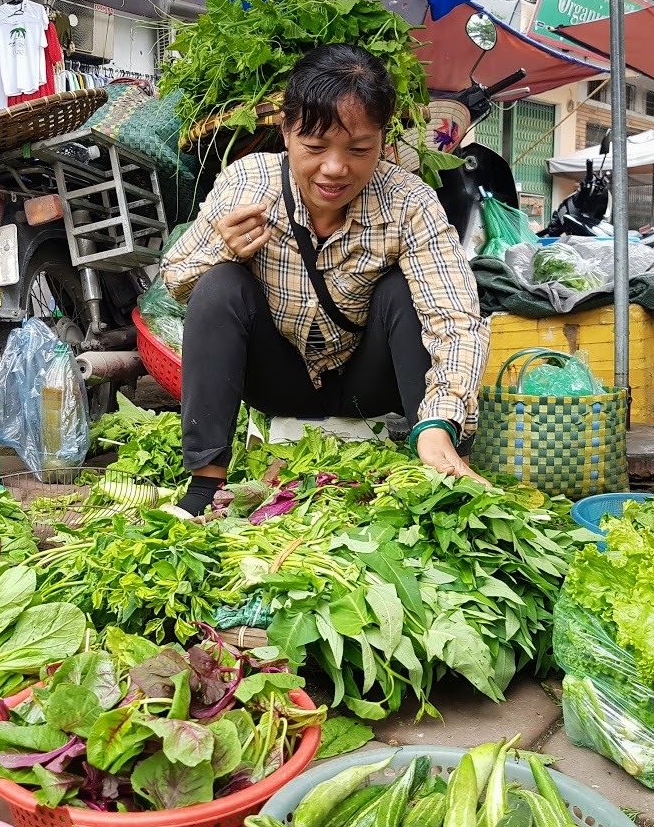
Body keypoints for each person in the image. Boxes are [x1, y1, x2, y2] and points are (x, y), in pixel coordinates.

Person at [161, 44, 491, 516]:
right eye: (315, 147)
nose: (335, 169)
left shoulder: (408, 203)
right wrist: (221, 248)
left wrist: (442, 418)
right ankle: (203, 488)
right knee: (220, 285)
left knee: (403, 290)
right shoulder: (246, 185)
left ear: (383, 139)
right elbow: (175, 281)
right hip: (278, 376)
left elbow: (455, 318)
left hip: (368, 380)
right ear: (287, 132)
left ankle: (441, 465)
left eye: (359, 149)